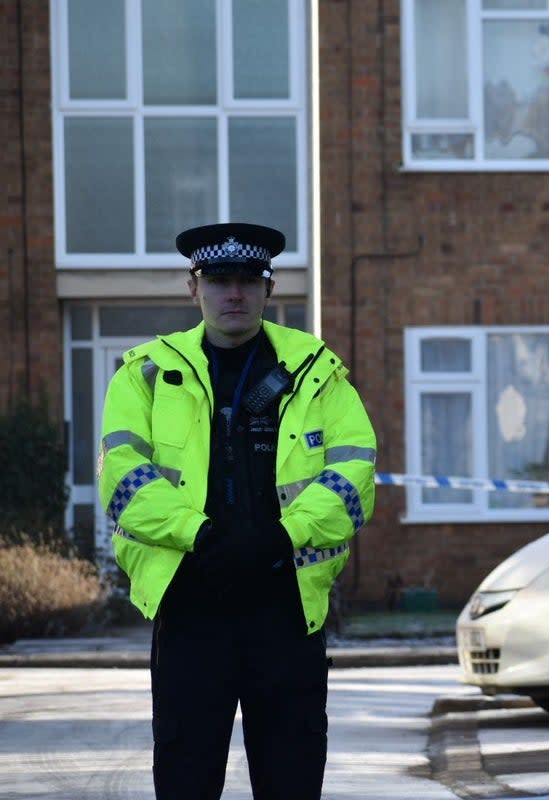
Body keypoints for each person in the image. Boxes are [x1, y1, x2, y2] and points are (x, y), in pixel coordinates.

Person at [98, 222, 377, 799]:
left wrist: (282, 537)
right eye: (219, 280)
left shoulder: (316, 373)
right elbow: (124, 477)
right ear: (192, 288)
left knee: (291, 777)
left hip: (285, 607)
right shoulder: (145, 374)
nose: (234, 294)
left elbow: (353, 475)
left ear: (268, 289)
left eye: (248, 281)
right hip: (190, 603)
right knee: (186, 779)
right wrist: (198, 535)